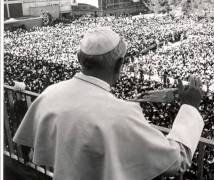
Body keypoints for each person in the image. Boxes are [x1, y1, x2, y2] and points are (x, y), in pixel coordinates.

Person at [13, 27, 204, 180]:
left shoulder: (50, 93)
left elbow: (30, 144)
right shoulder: (122, 113)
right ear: (120, 64)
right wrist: (190, 107)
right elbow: (177, 161)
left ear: (79, 59)